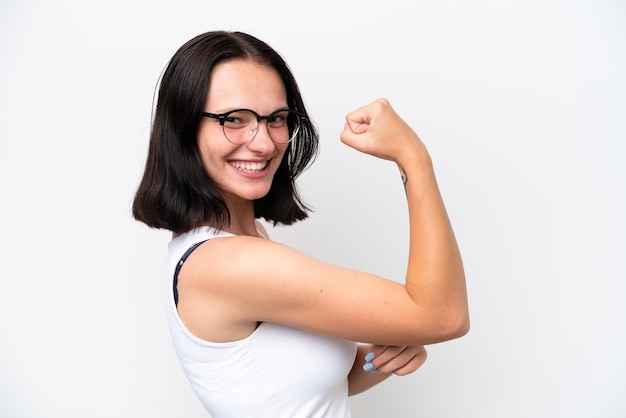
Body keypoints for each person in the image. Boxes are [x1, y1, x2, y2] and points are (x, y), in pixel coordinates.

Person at [132, 30, 469, 418]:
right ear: (183, 130)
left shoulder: (240, 240)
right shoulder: (230, 264)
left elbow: (292, 391)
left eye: (275, 118)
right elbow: (444, 315)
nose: (263, 142)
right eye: (233, 119)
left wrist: (385, 354)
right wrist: (413, 157)